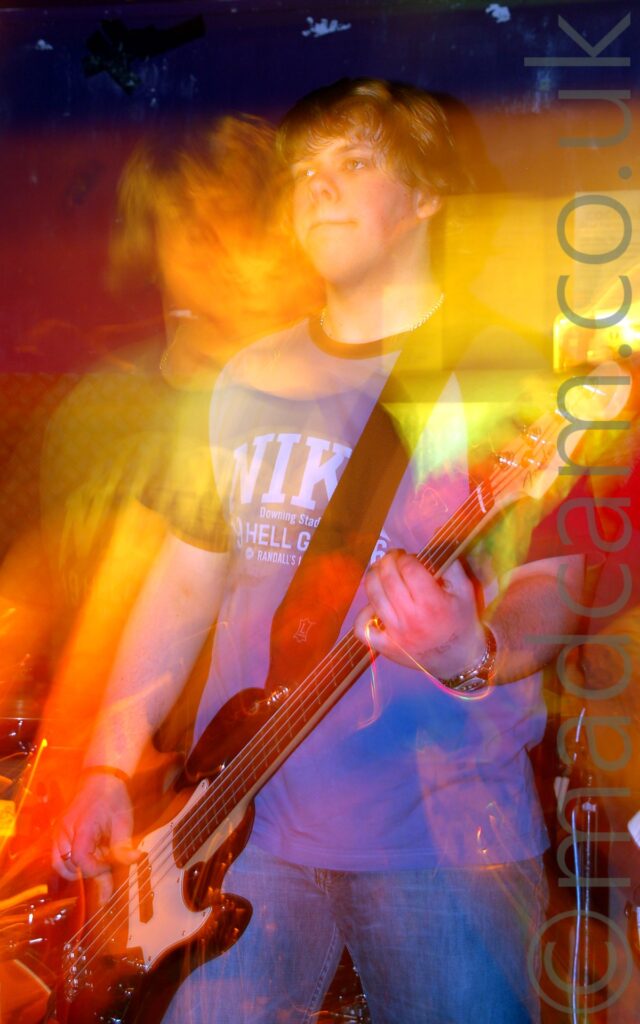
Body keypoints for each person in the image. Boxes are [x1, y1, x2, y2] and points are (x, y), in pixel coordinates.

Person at [53, 79, 585, 1023]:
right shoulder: (242, 380)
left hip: (446, 838)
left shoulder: (512, 374)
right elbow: (180, 586)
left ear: (427, 194)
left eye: (353, 162)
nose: (317, 188)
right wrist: (106, 758)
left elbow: (556, 586)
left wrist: (476, 656)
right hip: (238, 826)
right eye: (302, 171)